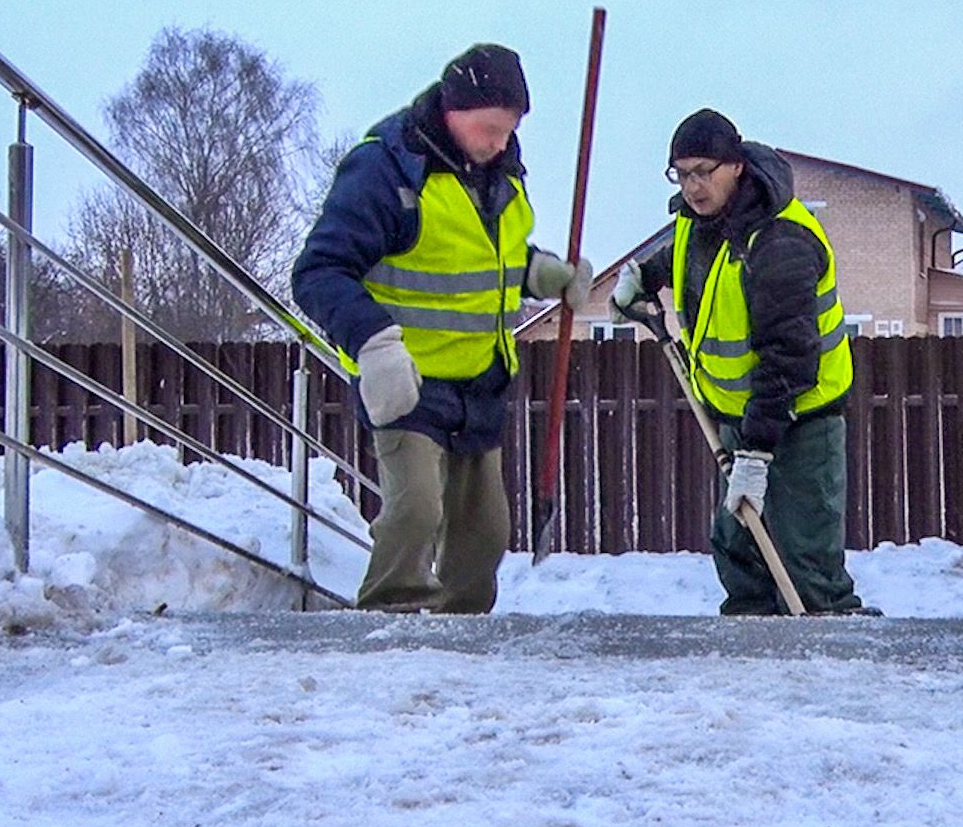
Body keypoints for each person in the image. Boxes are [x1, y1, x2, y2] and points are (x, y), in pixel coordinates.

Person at [293, 43, 592, 613]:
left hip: (478, 380)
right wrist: (374, 345)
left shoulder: (499, 172)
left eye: (508, 131)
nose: (500, 143)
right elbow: (317, 272)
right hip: (407, 379)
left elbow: (481, 260)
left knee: (485, 534)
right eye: (489, 129)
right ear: (454, 109)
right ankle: (391, 620)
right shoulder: (387, 168)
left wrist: (540, 273)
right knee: (417, 511)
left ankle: (460, 637)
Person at [609, 109, 870, 616]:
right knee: (738, 545)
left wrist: (755, 454)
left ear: (737, 167)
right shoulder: (697, 223)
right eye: (682, 173)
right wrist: (641, 275)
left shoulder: (780, 242)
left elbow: (789, 359)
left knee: (804, 559)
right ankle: (751, 651)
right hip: (737, 417)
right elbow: (678, 259)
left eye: (704, 171)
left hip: (800, 418)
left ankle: (832, 651)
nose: (692, 186)